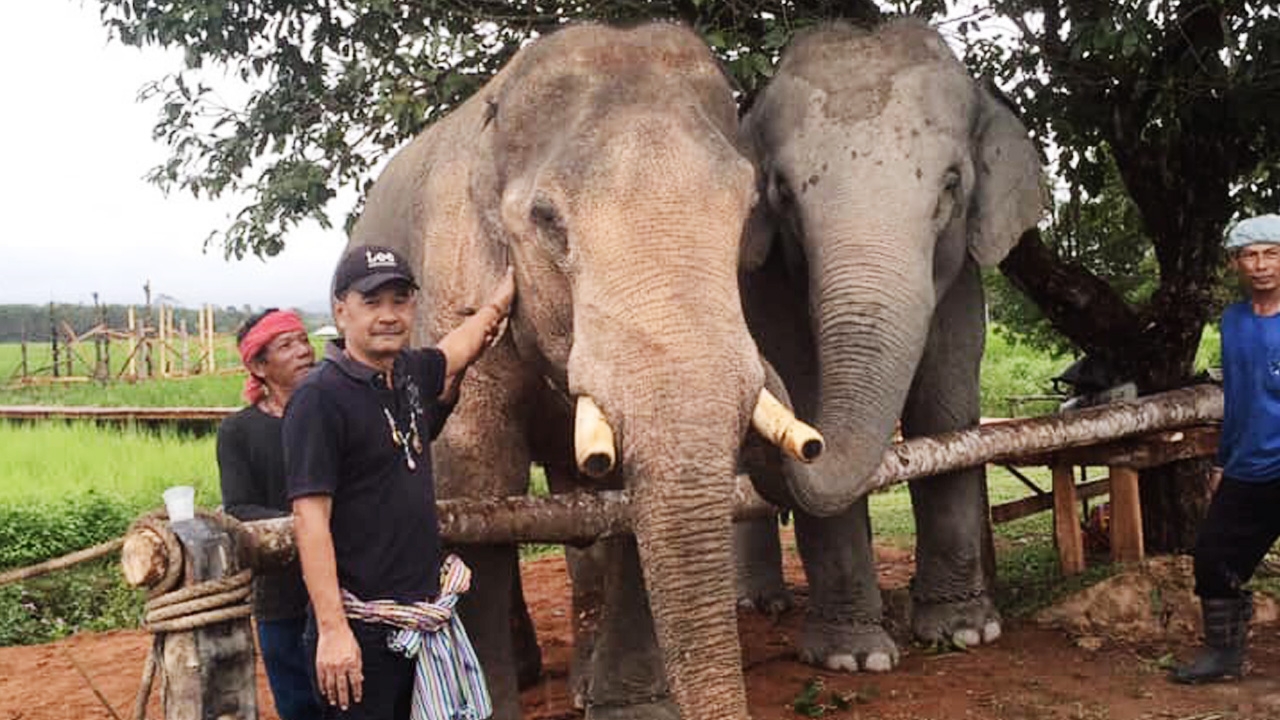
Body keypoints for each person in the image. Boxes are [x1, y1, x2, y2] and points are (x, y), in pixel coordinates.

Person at [285, 245, 514, 720]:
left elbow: (456, 350)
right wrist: (333, 631)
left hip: (419, 623)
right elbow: (310, 519)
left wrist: (498, 304)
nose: (388, 315)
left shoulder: (407, 373)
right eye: (372, 302)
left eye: (399, 300)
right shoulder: (319, 399)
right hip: (360, 633)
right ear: (340, 310)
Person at [1172, 214, 1280, 684]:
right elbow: (1237, 398)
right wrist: (1221, 462)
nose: (1260, 265)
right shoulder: (1233, 322)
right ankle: (1224, 655)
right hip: (1249, 465)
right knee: (1213, 556)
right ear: (1236, 263)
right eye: (1249, 255)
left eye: (1271, 253)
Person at [218, 308, 322, 720]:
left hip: (347, 585)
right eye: (286, 345)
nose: (303, 351)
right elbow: (239, 508)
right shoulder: (238, 432)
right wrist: (312, 523)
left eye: (303, 340)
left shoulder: (331, 413)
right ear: (259, 366)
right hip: (281, 596)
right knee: (298, 704)